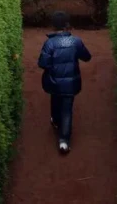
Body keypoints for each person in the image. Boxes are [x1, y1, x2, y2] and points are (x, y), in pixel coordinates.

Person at [37, 11, 92, 154]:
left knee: (55, 98)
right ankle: (64, 141)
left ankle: (55, 120)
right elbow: (86, 57)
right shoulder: (76, 41)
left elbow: (42, 63)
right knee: (67, 109)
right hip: (71, 82)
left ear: (53, 26)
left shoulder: (49, 43)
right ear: (68, 25)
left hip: (53, 81)